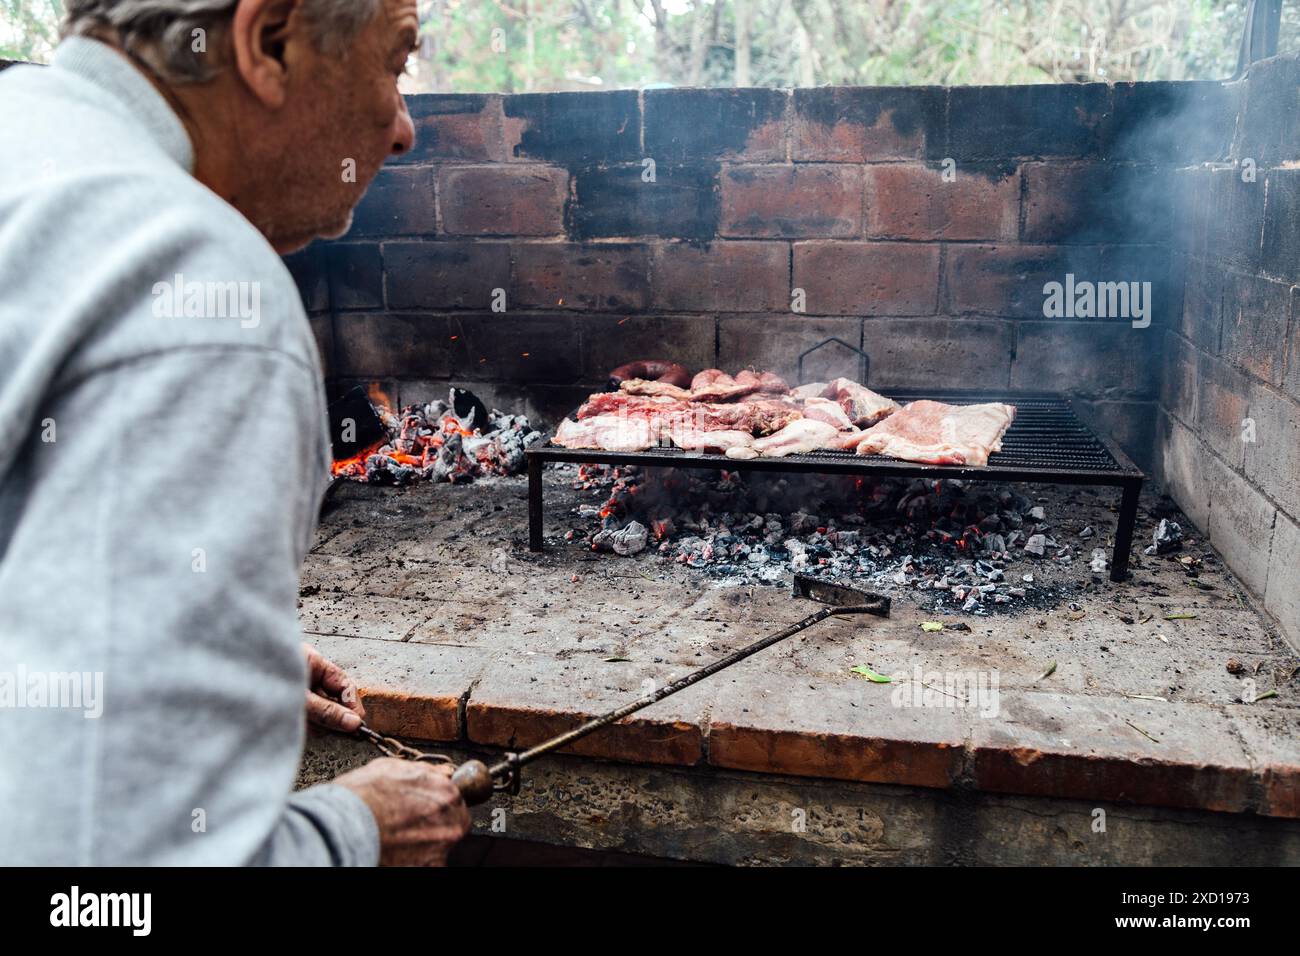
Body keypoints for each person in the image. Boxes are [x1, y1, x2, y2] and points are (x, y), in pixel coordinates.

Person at [0, 0, 470, 865]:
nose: (403, 130)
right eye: (397, 64)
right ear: (268, 42)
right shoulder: (196, 287)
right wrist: (348, 832)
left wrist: (179, 657)